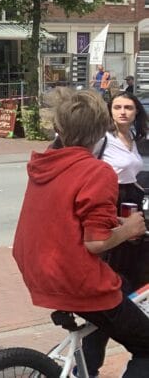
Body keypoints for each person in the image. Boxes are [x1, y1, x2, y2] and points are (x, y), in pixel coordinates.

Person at [13, 88, 149, 377]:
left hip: (39, 272)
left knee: (115, 302)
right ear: (102, 130)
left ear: (58, 128)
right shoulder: (97, 172)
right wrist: (130, 229)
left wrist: (112, 222)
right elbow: (96, 242)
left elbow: (65, 214)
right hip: (76, 280)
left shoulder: (44, 164)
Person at [83, 92, 149, 376]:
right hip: (110, 209)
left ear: (137, 112)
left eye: (129, 108)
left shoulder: (135, 141)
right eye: (118, 107)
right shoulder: (103, 140)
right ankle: (88, 368)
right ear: (109, 112)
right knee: (110, 298)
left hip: (132, 209)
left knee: (136, 288)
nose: (123, 112)